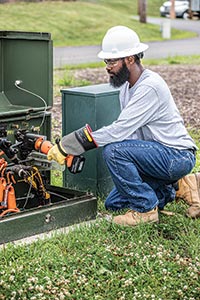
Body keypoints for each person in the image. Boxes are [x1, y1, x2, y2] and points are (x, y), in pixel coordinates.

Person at [47, 25, 198, 226]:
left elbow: (119, 131)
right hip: (157, 155)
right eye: (106, 61)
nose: (107, 67)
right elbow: (132, 136)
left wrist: (70, 144)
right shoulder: (126, 89)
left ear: (130, 59)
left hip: (176, 155)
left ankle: (146, 210)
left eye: (112, 61)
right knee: (114, 203)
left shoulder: (149, 87)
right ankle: (178, 186)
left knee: (114, 151)